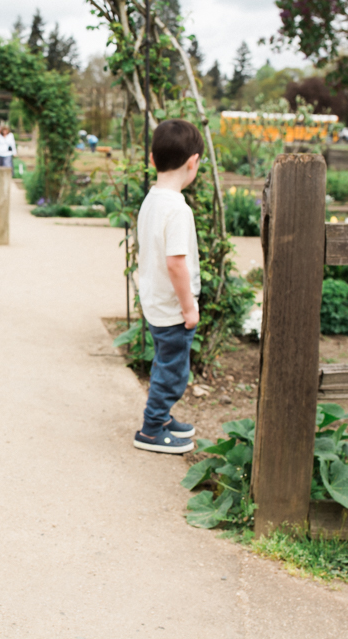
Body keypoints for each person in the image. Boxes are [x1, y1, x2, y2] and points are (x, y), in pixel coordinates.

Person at [132, 119, 205, 455]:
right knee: (173, 372)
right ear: (193, 161)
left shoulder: (153, 200)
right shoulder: (177, 209)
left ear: (152, 159)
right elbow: (176, 263)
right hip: (173, 308)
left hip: (155, 302)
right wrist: (189, 308)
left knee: (165, 363)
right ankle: (150, 429)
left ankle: (161, 419)